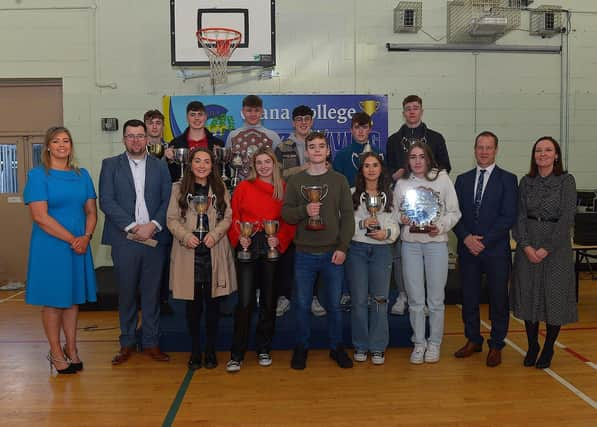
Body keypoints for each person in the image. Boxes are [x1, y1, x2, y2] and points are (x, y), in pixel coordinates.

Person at [23, 126, 97, 374]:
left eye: (66, 141)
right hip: (51, 246)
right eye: (56, 141)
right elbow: (40, 217)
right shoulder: (38, 175)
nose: (62, 145)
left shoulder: (82, 175)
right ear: (48, 146)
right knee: (54, 301)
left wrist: (86, 237)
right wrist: (73, 240)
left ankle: (72, 349)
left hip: (79, 245)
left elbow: (91, 212)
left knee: (73, 299)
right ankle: (55, 352)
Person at [99, 119, 172, 365]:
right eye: (130, 136)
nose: (136, 140)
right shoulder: (110, 165)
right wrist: (132, 227)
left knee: (152, 294)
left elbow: (167, 201)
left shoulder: (161, 166)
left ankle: (151, 342)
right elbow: (106, 201)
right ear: (123, 139)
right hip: (125, 239)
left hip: (154, 237)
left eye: (140, 136)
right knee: (127, 293)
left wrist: (153, 225)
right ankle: (127, 342)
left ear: (147, 139)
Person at [282, 132, 355, 370]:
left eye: (321, 146)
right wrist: (306, 210)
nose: (316, 150)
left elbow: (348, 218)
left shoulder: (339, 180)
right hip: (303, 253)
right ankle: (301, 347)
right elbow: (286, 214)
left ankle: (337, 347)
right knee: (302, 304)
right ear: (306, 151)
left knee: (333, 304)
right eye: (311, 147)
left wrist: (343, 247)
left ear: (327, 151)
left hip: (333, 252)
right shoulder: (295, 181)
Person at [225, 147, 296, 372]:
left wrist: (280, 239)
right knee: (245, 301)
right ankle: (237, 353)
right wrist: (239, 238)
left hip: (271, 246)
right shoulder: (244, 187)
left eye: (268, 162)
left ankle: (264, 348)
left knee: (268, 300)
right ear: (253, 166)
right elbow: (234, 216)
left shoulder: (283, 189)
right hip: (247, 244)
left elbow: (289, 222)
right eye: (259, 163)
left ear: (274, 165)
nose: (264, 166)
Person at [167, 147, 237, 370]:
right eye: (198, 161)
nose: (202, 165)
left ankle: (211, 350)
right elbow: (171, 219)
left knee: (213, 305)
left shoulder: (220, 187)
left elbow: (228, 216)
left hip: (213, 251)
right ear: (190, 163)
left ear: (212, 165)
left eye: (206, 161)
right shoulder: (178, 189)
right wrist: (186, 236)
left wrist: (214, 235)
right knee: (193, 307)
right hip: (189, 252)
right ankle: (195, 349)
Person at [510, 136, 576, 370]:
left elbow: (567, 218)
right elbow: (517, 216)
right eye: (538, 150)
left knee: (554, 298)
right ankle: (532, 345)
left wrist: (546, 248)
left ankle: (548, 347)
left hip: (556, 249)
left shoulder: (566, 181)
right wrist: (526, 246)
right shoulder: (525, 182)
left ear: (556, 155)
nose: (543, 154)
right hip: (528, 244)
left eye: (548, 150)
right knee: (528, 296)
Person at [453, 131, 518, 367]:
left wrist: (484, 241)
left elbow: (508, 216)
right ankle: (473, 339)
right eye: (480, 147)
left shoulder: (508, 180)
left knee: (498, 299)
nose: (484, 151)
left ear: (496, 150)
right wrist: (467, 238)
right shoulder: (462, 180)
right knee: (469, 297)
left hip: (496, 251)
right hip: (468, 249)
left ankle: (496, 344)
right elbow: (454, 214)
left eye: (488, 147)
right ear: (474, 149)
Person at [394, 141, 461, 364]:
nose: (418, 161)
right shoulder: (402, 182)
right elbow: (394, 212)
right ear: (408, 160)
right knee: (415, 299)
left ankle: (434, 343)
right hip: (410, 244)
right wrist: (401, 218)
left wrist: (440, 226)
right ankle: (419, 343)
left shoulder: (441, 178)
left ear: (429, 158)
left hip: (436, 244)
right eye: (413, 157)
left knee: (435, 299)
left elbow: (454, 211)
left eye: (422, 156)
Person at [386, 95, 452, 316]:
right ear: (403, 113)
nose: (412, 112)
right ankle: (404, 295)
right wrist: (396, 175)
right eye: (408, 109)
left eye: (416, 108)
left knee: (430, 262)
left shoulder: (436, 137)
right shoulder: (394, 140)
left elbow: (446, 168)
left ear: (421, 111)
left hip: (430, 207)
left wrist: (425, 174)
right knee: (401, 255)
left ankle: (423, 300)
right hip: (404, 202)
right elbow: (386, 171)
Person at [346, 152, 399, 365]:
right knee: (358, 301)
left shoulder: (391, 195)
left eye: (375, 165)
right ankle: (360, 344)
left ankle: (377, 347)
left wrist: (386, 234)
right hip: (357, 250)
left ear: (381, 168)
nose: (370, 169)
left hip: (382, 251)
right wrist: (362, 225)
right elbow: (346, 225)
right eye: (366, 165)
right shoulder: (351, 194)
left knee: (380, 300)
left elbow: (395, 224)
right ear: (361, 170)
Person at [274, 105, 326, 318]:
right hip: (291, 205)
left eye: (307, 118)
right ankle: (284, 296)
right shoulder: (283, 146)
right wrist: (302, 169)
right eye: (299, 119)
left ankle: (313, 297)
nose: (303, 122)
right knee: (286, 254)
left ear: (312, 120)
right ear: (293, 122)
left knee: (314, 252)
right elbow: (276, 174)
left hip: (316, 209)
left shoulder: (319, 143)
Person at [144, 108, 174, 315]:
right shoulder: (137, 147)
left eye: (158, 122)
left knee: (164, 256)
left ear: (163, 126)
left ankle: (163, 299)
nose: (154, 126)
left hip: (166, 207)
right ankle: (145, 299)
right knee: (144, 260)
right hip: (142, 210)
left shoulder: (172, 148)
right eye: (151, 122)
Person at [225, 94, 281, 181]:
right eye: (249, 110)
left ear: (262, 111)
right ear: (243, 111)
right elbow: (228, 163)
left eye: (257, 110)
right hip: (240, 184)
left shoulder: (273, 136)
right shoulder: (233, 135)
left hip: (266, 184)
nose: (253, 114)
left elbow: (278, 165)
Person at [166, 101, 225, 182]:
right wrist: (170, 160)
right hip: (183, 190)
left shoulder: (218, 144)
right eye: (192, 115)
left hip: (211, 190)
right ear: (187, 118)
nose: (196, 118)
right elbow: (170, 176)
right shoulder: (176, 143)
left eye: (200, 114)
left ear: (206, 117)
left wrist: (218, 159)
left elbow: (225, 174)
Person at [332, 112, 381, 187]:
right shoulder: (341, 156)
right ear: (351, 130)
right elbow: (336, 184)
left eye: (364, 127)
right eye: (357, 127)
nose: (361, 131)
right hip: (348, 197)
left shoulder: (380, 154)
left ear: (370, 130)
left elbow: (384, 181)